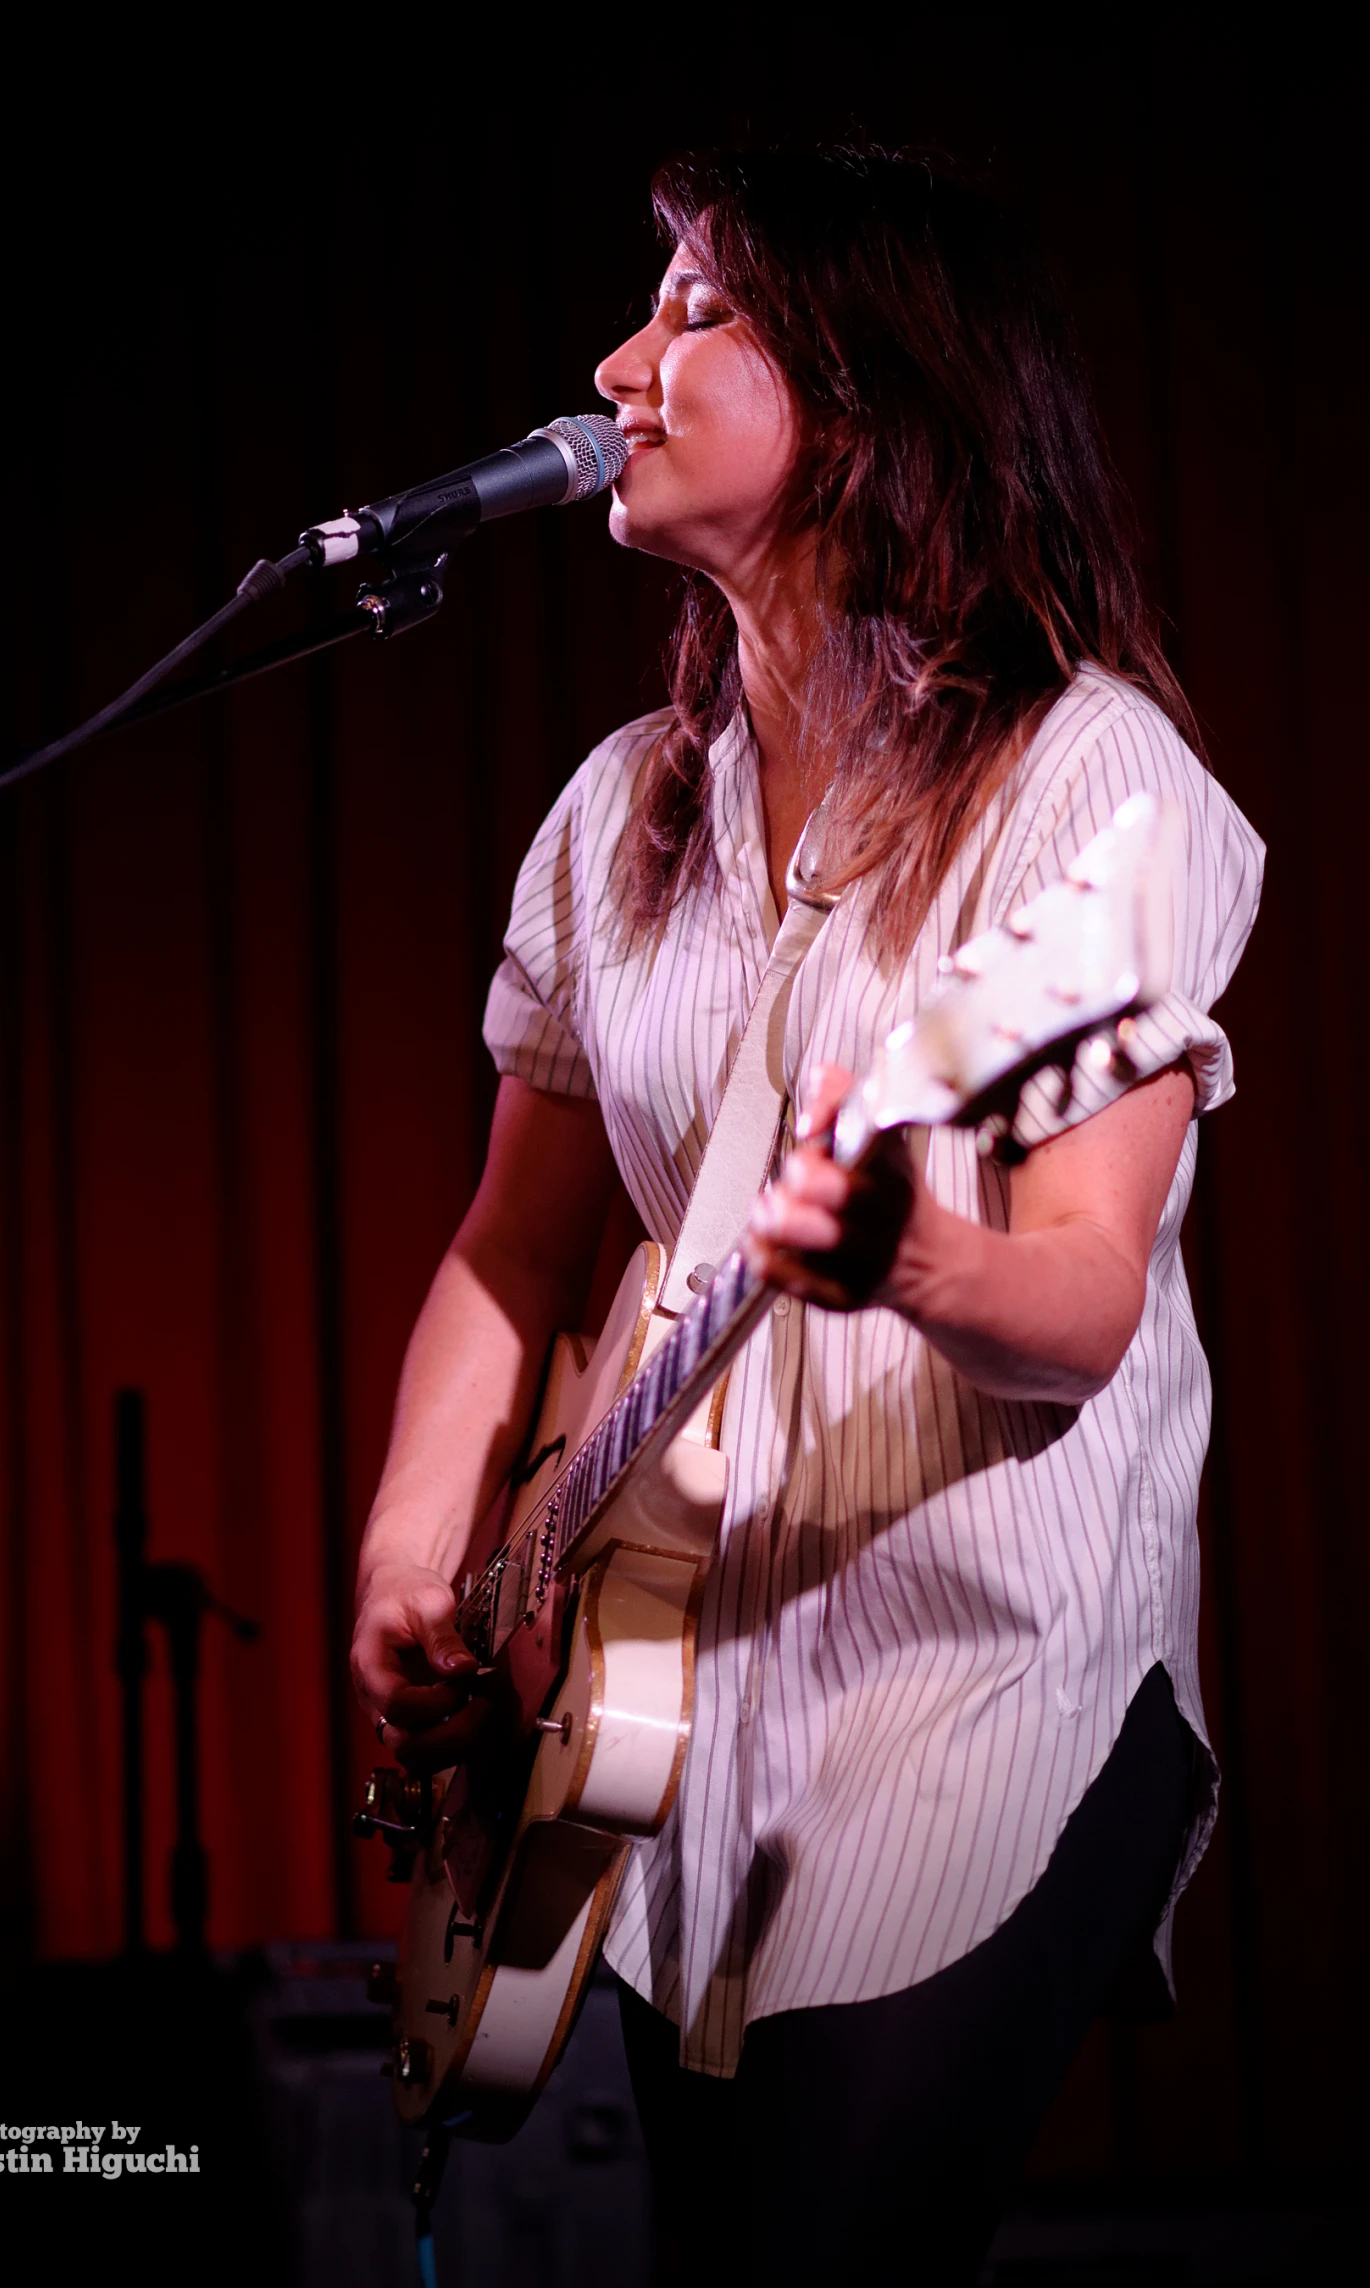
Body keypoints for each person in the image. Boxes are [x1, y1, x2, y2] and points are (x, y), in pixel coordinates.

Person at [350, 148, 1263, 2283]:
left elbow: (1081, 1297)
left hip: (991, 1682)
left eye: (690, 310)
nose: (615, 364)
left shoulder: (1089, 788)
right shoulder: (618, 820)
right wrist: (419, 1559)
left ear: (864, 398)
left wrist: (905, 1256)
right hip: (670, 1719)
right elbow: (510, 1249)